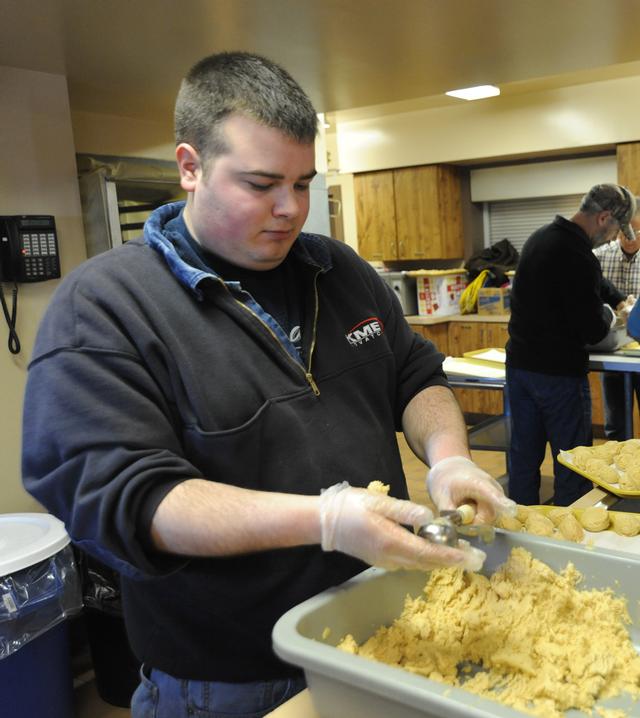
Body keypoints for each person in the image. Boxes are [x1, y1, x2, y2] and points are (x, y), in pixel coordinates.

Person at [21, 52, 513, 718]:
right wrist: (327, 521)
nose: (291, 210)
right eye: (261, 184)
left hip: (385, 632)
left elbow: (414, 376)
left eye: (304, 183)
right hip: (230, 680)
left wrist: (450, 458)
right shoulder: (104, 308)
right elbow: (135, 501)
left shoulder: (335, 270)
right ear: (189, 167)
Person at [506, 183, 636, 506]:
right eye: (616, 229)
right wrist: (613, 317)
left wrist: (618, 299)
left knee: (523, 458)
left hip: (521, 370)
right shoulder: (577, 255)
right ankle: (569, 536)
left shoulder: (541, 238)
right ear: (604, 217)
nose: (612, 237)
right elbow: (592, 330)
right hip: (558, 377)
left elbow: (594, 282)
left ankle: (521, 529)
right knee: (571, 462)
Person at [593, 208, 640, 439]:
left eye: (637, 230)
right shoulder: (599, 255)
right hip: (612, 345)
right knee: (616, 422)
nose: (631, 237)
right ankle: (617, 473)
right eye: (626, 230)